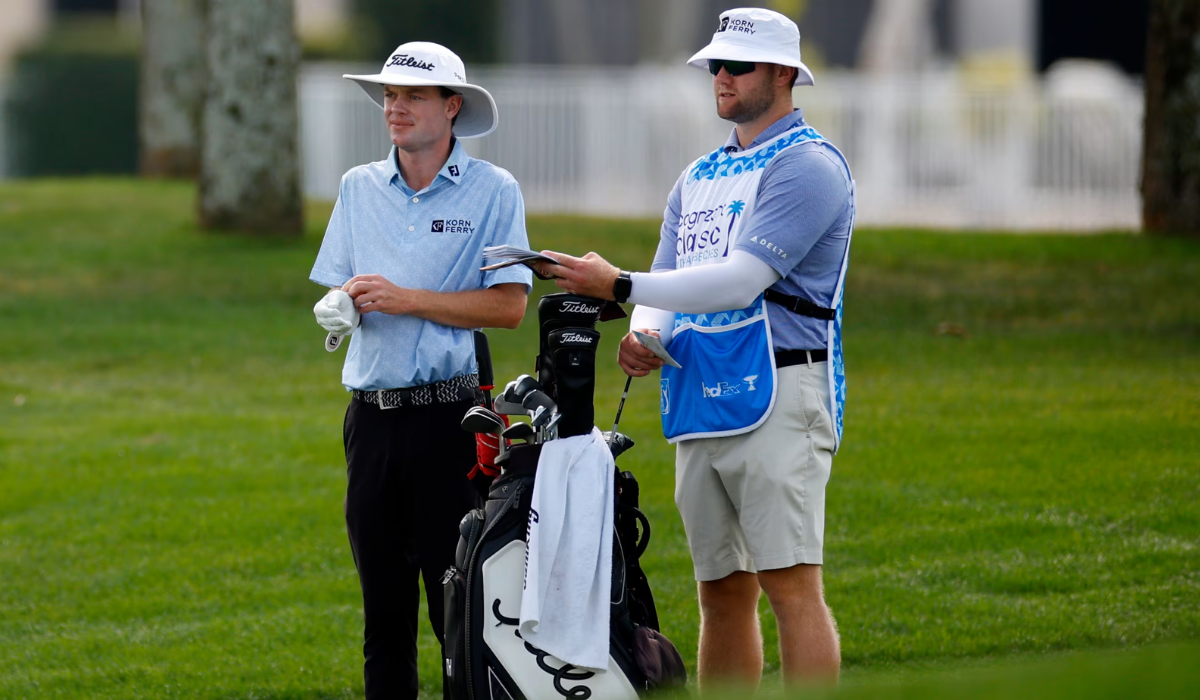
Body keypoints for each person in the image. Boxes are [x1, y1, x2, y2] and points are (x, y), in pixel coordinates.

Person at [537, 7, 854, 690]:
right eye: (716, 65)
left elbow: (742, 280)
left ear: (782, 73)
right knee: (720, 593)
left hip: (781, 388)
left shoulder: (810, 166)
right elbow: (672, 273)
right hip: (701, 392)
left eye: (737, 66)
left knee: (790, 585)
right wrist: (646, 330)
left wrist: (617, 284)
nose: (722, 78)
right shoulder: (699, 175)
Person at [309, 42, 532, 700]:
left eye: (411, 96)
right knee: (383, 618)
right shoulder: (357, 188)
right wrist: (341, 306)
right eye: (389, 95)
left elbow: (509, 306)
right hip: (370, 423)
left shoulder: (494, 190)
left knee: (454, 610)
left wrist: (406, 299)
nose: (395, 107)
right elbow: (335, 290)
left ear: (451, 107)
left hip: (449, 422)